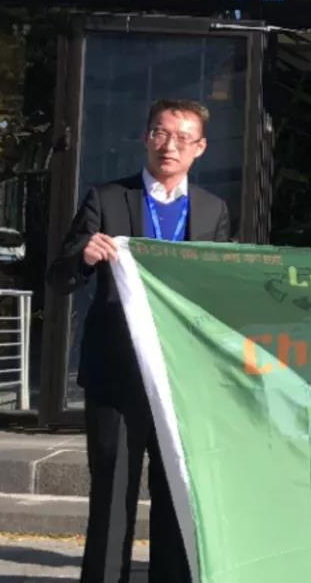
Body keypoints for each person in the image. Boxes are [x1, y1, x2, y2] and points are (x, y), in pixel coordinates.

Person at [48, 99, 231, 583]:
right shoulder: (108, 199)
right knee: (112, 495)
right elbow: (59, 276)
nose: (170, 146)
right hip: (117, 375)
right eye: (160, 133)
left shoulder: (213, 210)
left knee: (177, 496)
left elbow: (219, 293)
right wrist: (84, 256)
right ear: (147, 137)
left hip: (181, 380)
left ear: (200, 148)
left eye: (183, 137)